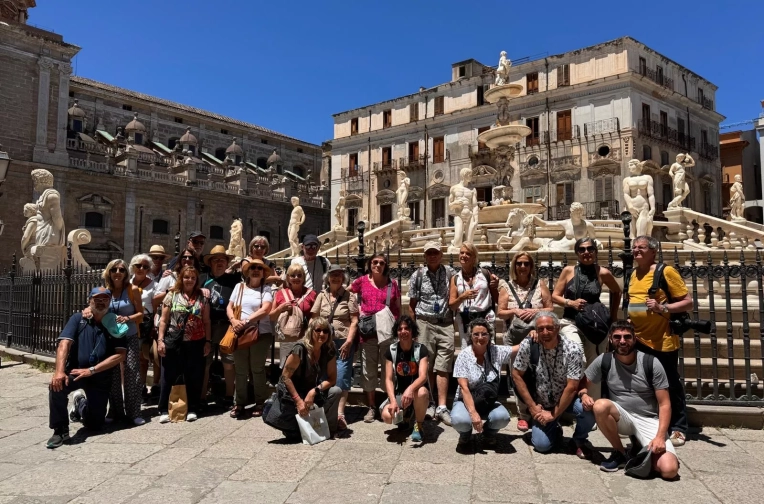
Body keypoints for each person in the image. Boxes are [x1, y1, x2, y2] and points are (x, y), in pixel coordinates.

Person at [580, 320, 679, 478]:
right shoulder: (604, 360)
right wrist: (584, 394)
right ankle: (620, 453)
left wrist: (660, 437)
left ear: (635, 339)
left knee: (669, 470)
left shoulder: (651, 362)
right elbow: (583, 383)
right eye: (617, 337)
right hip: (621, 417)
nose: (622, 341)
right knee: (600, 406)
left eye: (627, 337)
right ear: (611, 340)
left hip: (648, 418)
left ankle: (641, 447)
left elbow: (665, 404)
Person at [627, 235, 693, 447]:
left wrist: (662, 308)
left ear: (654, 251)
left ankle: (679, 428)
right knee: (644, 385)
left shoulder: (665, 271)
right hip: (639, 338)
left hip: (662, 339)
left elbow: (688, 302)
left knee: (669, 384)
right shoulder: (634, 274)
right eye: (634, 247)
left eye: (642, 247)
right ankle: (654, 423)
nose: (636, 250)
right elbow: (636, 303)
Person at [47, 287, 127, 449]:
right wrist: (59, 371)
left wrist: (92, 370)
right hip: (76, 372)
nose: (101, 301)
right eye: (96, 298)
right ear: (89, 300)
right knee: (56, 385)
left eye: (105, 298)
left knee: (95, 424)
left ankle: (80, 404)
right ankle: (60, 429)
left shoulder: (116, 323)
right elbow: (64, 343)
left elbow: (120, 355)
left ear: (110, 301)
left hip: (99, 376)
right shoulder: (78, 319)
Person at [512, 311, 595, 457]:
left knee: (586, 411)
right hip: (541, 403)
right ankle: (555, 430)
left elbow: (572, 387)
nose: (545, 332)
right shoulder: (529, 344)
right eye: (540, 329)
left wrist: (553, 414)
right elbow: (516, 375)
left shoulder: (572, 349)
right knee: (542, 446)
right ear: (535, 330)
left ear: (557, 328)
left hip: (566, 399)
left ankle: (578, 440)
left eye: (549, 328)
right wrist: (532, 407)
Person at [552, 237, 622, 398]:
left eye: (590, 249)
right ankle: (575, 395)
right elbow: (555, 296)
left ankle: (594, 405)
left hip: (594, 324)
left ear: (596, 252)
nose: (586, 252)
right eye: (582, 249)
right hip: (571, 321)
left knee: (594, 364)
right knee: (577, 354)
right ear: (577, 253)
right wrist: (571, 302)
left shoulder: (602, 272)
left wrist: (613, 316)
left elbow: (617, 290)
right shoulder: (568, 271)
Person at [496, 251, 552, 432]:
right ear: (514, 266)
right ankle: (523, 414)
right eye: (519, 263)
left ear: (531, 266)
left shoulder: (540, 284)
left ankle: (540, 408)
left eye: (526, 264)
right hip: (514, 336)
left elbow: (550, 307)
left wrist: (536, 313)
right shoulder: (506, 286)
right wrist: (515, 311)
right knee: (518, 375)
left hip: (537, 335)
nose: (522, 267)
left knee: (538, 372)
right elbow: (500, 312)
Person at [408, 241, 455, 426]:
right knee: (426, 366)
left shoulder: (451, 273)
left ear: (441, 254)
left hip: (445, 324)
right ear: (425, 256)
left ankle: (442, 407)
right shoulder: (417, 275)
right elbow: (412, 305)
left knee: (443, 365)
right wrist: (415, 330)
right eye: (429, 253)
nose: (433, 256)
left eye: (436, 252)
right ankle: (429, 403)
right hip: (425, 323)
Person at [451, 318, 517, 451]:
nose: (480, 337)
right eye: (476, 334)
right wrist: (473, 413)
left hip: (488, 401)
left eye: (484, 334)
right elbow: (464, 388)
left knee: (502, 417)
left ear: (489, 336)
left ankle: (488, 434)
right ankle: (465, 435)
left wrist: (532, 335)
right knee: (460, 420)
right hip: (465, 401)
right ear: (470, 336)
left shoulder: (496, 351)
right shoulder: (463, 356)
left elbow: (516, 349)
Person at [351, 253, 401, 423]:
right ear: (369, 264)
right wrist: (357, 309)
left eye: (381, 263)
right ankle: (371, 406)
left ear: (385, 265)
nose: (378, 265)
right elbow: (349, 294)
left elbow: (397, 308)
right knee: (368, 369)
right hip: (368, 331)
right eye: (374, 262)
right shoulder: (362, 281)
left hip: (387, 331)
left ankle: (388, 402)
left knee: (389, 369)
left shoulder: (392, 284)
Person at [157, 266, 211, 423]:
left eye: (193, 278)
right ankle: (163, 408)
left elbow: (206, 321)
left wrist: (208, 341)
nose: (189, 280)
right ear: (181, 278)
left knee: (194, 375)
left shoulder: (202, 297)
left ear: (196, 280)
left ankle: (192, 408)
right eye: (186, 277)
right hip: (174, 341)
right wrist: (160, 340)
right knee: (169, 374)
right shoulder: (172, 295)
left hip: (196, 341)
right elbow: (164, 320)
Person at [275, 317, 342, 441]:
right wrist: (298, 401)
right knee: (294, 436)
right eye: (318, 330)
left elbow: (332, 379)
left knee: (336, 391)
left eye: (326, 331)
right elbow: (285, 377)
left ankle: (330, 429)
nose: (322, 334)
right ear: (311, 331)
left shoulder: (329, 349)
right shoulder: (300, 349)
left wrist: (313, 391)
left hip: (311, 390)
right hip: (292, 393)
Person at [311, 264, 359, 430]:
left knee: (342, 376)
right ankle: (325, 411)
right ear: (328, 278)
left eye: (339, 275)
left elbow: (354, 320)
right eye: (333, 275)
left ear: (343, 278)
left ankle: (339, 414)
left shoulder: (349, 296)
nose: (336, 278)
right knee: (323, 375)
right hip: (323, 341)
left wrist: (349, 341)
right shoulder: (321, 295)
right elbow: (314, 317)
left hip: (342, 342)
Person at [99, 259, 144, 425]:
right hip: (111, 337)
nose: (118, 273)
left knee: (132, 372)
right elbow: (96, 309)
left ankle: (134, 412)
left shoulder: (132, 290)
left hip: (129, 335)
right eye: (114, 270)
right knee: (113, 374)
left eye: (122, 270)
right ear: (109, 272)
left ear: (126, 273)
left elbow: (141, 314)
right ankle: (115, 410)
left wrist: (127, 318)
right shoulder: (105, 292)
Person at [227, 258, 274, 418]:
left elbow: (266, 309)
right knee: (240, 370)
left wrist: (246, 321)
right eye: (252, 267)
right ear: (247, 271)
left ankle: (260, 401)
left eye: (259, 268)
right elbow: (229, 306)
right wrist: (233, 321)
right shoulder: (239, 287)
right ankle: (239, 403)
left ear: (263, 273)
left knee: (257, 368)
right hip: (239, 332)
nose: (255, 270)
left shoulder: (266, 289)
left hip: (260, 333)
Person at [380, 315, 430, 442]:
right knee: (386, 416)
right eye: (400, 329)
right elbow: (388, 379)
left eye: (406, 328)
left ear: (412, 331)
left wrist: (410, 389)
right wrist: (392, 401)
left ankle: (418, 425)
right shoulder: (391, 350)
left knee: (422, 392)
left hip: (417, 393)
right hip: (399, 393)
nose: (403, 332)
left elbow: (423, 376)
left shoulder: (421, 349)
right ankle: (407, 417)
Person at [202, 245, 239, 406]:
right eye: (215, 260)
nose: (219, 263)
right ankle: (201, 397)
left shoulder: (234, 280)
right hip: (206, 327)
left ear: (227, 263)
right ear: (210, 263)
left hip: (226, 326)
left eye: (222, 260)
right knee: (205, 363)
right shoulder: (202, 279)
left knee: (229, 363)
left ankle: (229, 396)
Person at [449, 242, 498, 349]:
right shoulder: (455, 278)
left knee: (489, 350)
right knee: (467, 352)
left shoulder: (485, 273)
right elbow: (452, 305)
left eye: (468, 253)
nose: (464, 255)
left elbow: (497, 298)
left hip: (485, 318)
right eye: (462, 252)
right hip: (465, 321)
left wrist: (495, 286)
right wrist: (462, 297)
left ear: (474, 257)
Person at [271, 263, 318, 365]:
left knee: (304, 365)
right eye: (293, 275)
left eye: (299, 275)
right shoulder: (280, 294)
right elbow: (272, 316)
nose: (296, 278)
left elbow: (316, 316)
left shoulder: (311, 294)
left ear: (303, 277)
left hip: (306, 336)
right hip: (287, 336)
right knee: (286, 365)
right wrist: (280, 308)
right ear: (288, 277)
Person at [130, 254, 160, 403]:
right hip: (133, 323)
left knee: (152, 356)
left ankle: (155, 386)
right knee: (138, 358)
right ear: (133, 267)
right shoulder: (127, 283)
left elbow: (157, 307)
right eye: (138, 265)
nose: (141, 268)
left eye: (145, 266)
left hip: (149, 322)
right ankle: (140, 388)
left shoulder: (154, 285)